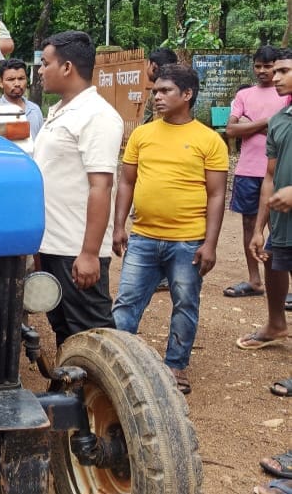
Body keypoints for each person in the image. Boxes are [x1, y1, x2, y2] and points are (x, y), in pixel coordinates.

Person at [112, 63, 228, 395]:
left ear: (187, 94)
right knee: (126, 303)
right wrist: (118, 226)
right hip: (143, 237)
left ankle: (176, 365)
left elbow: (217, 194)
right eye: (155, 91)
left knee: (185, 303)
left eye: (165, 91)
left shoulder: (209, 140)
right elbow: (126, 182)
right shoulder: (142, 134)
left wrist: (210, 243)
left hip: (188, 241)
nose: (157, 97)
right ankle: (118, 362)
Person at [33, 30, 123, 347]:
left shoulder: (97, 116)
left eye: (45, 63)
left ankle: (107, 383)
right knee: (64, 329)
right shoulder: (61, 111)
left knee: (95, 336)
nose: (40, 71)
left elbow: (101, 186)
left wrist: (89, 254)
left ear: (67, 67)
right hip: (53, 244)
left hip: (75, 247)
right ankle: (71, 379)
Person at [251, 48, 292, 494]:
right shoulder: (280, 120)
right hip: (283, 227)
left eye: (283, 70)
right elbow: (270, 176)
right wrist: (259, 227)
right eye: (274, 70)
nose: (275, 77)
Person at [225, 47, 288, 310]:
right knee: (250, 226)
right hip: (247, 171)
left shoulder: (285, 94)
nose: (263, 71)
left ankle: (283, 288)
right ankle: (254, 280)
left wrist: (250, 125)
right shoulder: (244, 95)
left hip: (279, 172)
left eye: (269, 66)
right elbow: (231, 129)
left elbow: (279, 129)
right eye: (258, 66)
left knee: (280, 228)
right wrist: (267, 121)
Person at [0, 58, 43, 139]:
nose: (17, 84)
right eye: (11, 79)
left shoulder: (35, 110)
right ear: (1, 82)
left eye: (21, 78)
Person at [142, 47, 177, 123]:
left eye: (147, 64)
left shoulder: (159, 93)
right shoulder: (179, 88)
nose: (146, 68)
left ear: (153, 66)